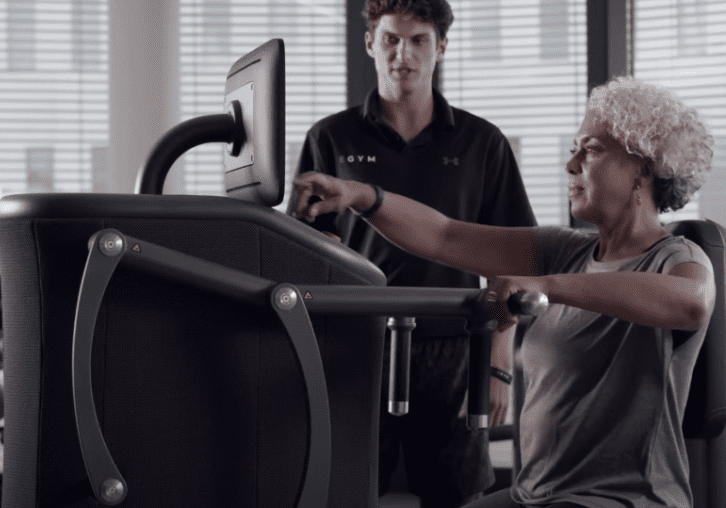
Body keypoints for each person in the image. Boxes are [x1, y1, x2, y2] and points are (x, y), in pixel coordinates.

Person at [292, 75, 716, 508]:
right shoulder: (565, 250)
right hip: (536, 496)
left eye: (590, 150)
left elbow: (690, 302)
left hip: (624, 499)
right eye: (573, 150)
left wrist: (547, 286)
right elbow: (445, 236)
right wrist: (360, 195)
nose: (570, 165)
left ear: (644, 166)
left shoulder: (678, 257)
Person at [285, 0, 537, 505]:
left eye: (419, 40)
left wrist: (498, 365)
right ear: (370, 45)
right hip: (358, 346)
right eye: (391, 39)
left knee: (456, 496)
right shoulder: (330, 137)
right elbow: (306, 246)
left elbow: (512, 264)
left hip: (456, 348)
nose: (404, 54)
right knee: (344, 489)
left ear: (440, 47)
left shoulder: (482, 142)